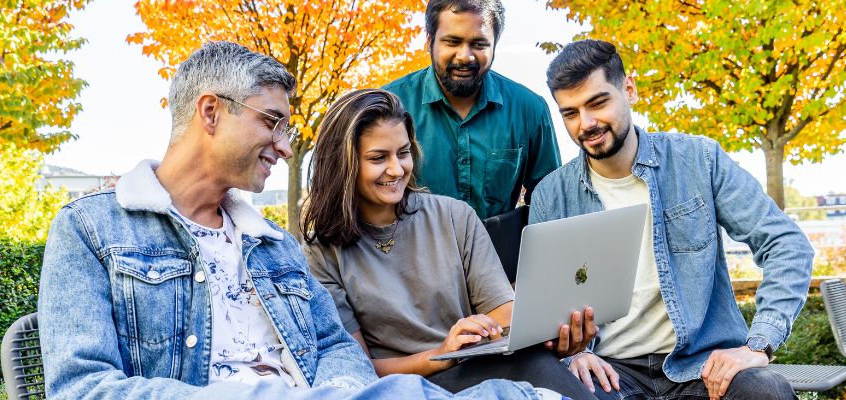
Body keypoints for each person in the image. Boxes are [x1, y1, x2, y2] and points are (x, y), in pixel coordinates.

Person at [38, 41, 543, 400]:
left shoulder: (272, 243)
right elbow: (82, 388)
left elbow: (334, 346)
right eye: (271, 122)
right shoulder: (93, 230)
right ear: (210, 113)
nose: (284, 146)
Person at [530, 40, 815, 400]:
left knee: (765, 392)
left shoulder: (699, 160)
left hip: (702, 364)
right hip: (610, 371)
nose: (586, 124)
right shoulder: (551, 196)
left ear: (629, 89)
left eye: (598, 103)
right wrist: (574, 355)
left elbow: (787, 244)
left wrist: (758, 344)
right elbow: (549, 308)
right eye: (570, 113)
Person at [301, 88, 600, 400]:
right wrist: (442, 353)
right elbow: (354, 368)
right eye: (378, 158)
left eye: (403, 153)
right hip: (403, 388)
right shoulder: (321, 252)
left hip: (478, 366)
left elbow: (503, 313)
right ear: (343, 164)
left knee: (540, 363)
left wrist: (555, 335)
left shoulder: (454, 216)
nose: (396, 169)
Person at [382, 0, 560, 220]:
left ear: (495, 44)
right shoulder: (388, 105)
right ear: (429, 41)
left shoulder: (529, 109)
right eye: (452, 42)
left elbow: (551, 204)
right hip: (411, 251)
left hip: (499, 252)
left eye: (479, 44)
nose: (465, 56)